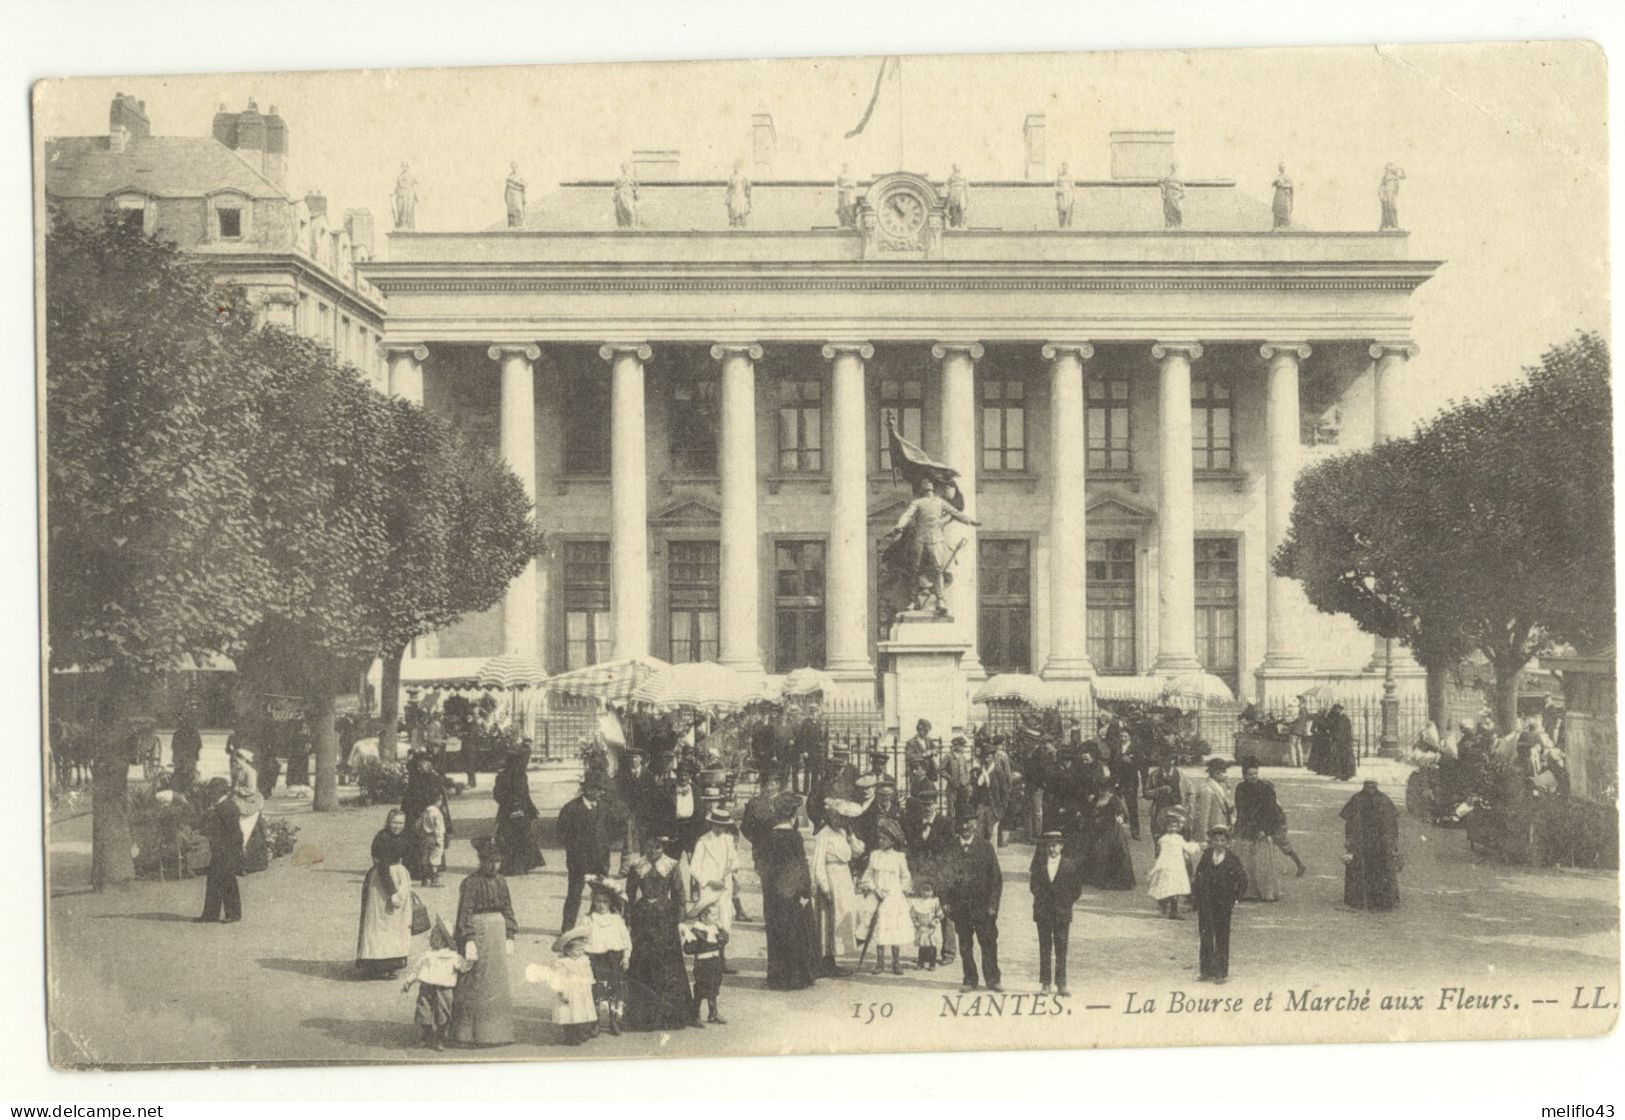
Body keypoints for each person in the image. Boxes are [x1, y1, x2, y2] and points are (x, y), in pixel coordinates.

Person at [450, 836, 518, 1047]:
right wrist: (468, 939)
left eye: (497, 861)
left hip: (497, 933)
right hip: (478, 932)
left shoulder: (501, 881)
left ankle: (497, 1033)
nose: (494, 865)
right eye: (489, 861)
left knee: (496, 982)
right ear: (481, 860)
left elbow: (507, 907)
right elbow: (465, 912)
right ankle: (468, 1034)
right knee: (474, 980)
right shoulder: (470, 883)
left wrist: (510, 934)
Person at [623, 834, 692, 1031]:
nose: (653, 852)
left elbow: (679, 894)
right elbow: (629, 894)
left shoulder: (671, 865)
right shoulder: (637, 866)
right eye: (650, 847)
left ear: (664, 848)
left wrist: (680, 920)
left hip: (665, 917)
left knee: (667, 961)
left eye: (658, 848)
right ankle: (642, 1015)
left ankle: (670, 1014)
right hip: (642, 915)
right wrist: (627, 919)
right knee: (642, 959)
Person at [759, 791, 819, 991]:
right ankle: (795, 977)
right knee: (795, 932)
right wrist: (805, 892)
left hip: (772, 893)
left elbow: (761, 865)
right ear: (793, 815)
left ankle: (777, 977)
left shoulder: (767, 837)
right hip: (791, 893)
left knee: (775, 931)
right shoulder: (794, 837)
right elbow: (801, 866)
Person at [939, 814, 1003, 993]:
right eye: (961, 822)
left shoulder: (986, 847)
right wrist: (944, 902)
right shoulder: (950, 848)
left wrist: (993, 905)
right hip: (960, 907)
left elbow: (996, 879)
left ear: (975, 824)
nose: (965, 826)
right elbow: (943, 878)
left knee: (989, 942)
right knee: (965, 944)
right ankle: (969, 979)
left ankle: (993, 979)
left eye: (968, 822)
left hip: (983, 908)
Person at [1233, 760, 1306, 900]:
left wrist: (1264, 829)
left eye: (1255, 773)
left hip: (1262, 829)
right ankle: (1248, 891)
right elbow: (1241, 810)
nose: (1253, 776)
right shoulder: (1240, 788)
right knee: (1246, 860)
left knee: (1262, 862)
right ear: (1244, 775)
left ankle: (1265, 892)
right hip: (1246, 828)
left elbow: (1271, 811)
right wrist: (1241, 825)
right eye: (1249, 774)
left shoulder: (1265, 788)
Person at [356, 809, 414, 978]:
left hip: (399, 876)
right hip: (382, 882)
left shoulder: (403, 837)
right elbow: (381, 867)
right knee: (380, 921)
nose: (398, 827)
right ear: (388, 822)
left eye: (401, 823)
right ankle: (377, 964)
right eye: (395, 823)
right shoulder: (381, 839)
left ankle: (392, 961)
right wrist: (392, 892)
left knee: (396, 922)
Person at [812, 800, 865, 977]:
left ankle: (832, 960)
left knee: (841, 917)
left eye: (841, 818)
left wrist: (851, 835)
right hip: (831, 877)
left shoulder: (843, 833)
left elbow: (857, 852)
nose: (838, 821)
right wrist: (825, 887)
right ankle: (825, 962)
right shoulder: (823, 835)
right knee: (828, 920)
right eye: (835, 817)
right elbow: (817, 864)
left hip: (844, 878)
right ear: (829, 816)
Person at [402, 916, 472, 1051]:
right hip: (426, 987)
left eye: (434, 936)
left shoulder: (453, 957)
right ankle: (426, 1034)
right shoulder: (428, 955)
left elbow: (463, 966)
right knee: (423, 1011)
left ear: (443, 940)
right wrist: (409, 981)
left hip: (444, 990)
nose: (430, 939)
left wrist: (470, 960)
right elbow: (417, 969)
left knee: (443, 1014)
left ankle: (440, 1038)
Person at [1029, 829, 1084, 995]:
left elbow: (1076, 890)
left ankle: (1061, 984)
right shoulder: (1039, 866)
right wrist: (1043, 901)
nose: (1052, 849)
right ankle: (1045, 983)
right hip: (1043, 913)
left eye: (1055, 845)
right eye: (1049, 846)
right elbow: (1034, 887)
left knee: (1061, 949)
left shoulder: (1069, 866)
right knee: (1044, 948)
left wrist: (1065, 903)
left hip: (1062, 914)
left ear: (1061, 846)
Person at [1192, 825, 1249, 983]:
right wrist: (1196, 895)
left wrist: (1236, 897)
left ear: (1227, 842)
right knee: (1206, 935)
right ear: (1212, 841)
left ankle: (1221, 973)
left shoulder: (1231, 858)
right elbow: (1198, 875)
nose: (1219, 843)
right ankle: (1206, 971)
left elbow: (1242, 879)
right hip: (1206, 901)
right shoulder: (1206, 855)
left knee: (1222, 936)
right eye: (1216, 840)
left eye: (1222, 840)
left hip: (1224, 903)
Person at [858, 818, 913, 976]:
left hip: (894, 899)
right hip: (878, 897)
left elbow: (906, 877)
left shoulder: (899, 857)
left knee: (894, 929)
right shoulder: (875, 855)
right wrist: (875, 889)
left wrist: (897, 890)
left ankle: (896, 962)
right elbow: (867, 877)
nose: (881, 841)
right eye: (880, 838)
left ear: (892, 840)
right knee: (879, 928)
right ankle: (879, 962)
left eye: (884, 839)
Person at [558, 773, 613, 934]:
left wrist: (605, 843)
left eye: (601, 790)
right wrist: (575, 846)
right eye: (597, 790)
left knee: (600, 894)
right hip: (578, 861)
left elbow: (615, 827)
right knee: (574, 895)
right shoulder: (571, 808)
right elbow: (561, 833)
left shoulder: (604, 807)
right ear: (587, 790)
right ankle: (567, 927)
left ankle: (596, 924)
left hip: (600, 860)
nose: (600, 793)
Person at [527, 927, 599, 1045]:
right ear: (568, 950)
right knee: (569, 1013)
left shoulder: (584, 960)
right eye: (577, 950)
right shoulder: (563, 962)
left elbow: (588, 973)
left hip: (582, 990)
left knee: (581, 1012)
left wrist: (589, 983)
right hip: (570, 990)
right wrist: (561, 991)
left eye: (582, 949)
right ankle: (570, 1036)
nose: (580, 952)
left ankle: (580, 1033)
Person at [581, 876, 631, 1035]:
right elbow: (580, 938)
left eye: (605, 902)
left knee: (615, 988)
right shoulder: (588, 919)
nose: (602, 905)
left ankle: (614, 1020)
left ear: (611, 903)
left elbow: (625, 939)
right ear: (593, 902)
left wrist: (626, 956)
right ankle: (595, 1021)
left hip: (614, 957)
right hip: (595, 957)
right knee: (596, 988)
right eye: (598, 901)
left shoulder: (616, 919)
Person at [1341, 780, 1402, 911]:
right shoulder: (1379, 799)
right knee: (1372, 867)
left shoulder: (1361, 798)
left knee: (1374, 868)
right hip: (1369, 841)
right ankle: (1374, 899)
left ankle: (1363, 898)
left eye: (1371, 786)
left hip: (1376, 841)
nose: (1370, 789)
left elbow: (1391, 822)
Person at [689, 807, 741, 957]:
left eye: (723, 826)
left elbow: (735, 859)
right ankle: (708, 958)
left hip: (724, 888)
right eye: (717, 825)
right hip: (709, 890)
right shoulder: (703, 842)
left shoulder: (728, 840)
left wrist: (731, 867)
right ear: (711, 824)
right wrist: (710, 881)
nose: (720, 829)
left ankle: (721, 958)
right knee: (710, 923)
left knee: (725, 922)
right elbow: (693, 868)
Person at [196, 779, 243, 923]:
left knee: (227, 881)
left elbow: (235, 832)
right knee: (214, 881)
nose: (210, 794)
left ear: (220, 792)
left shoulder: (226, 807)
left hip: (226, 850)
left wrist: (235, 850)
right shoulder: (220, 806)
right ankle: (211, 914)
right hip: (219, 849)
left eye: (212, 791)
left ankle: (233, 914)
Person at [680, 892, 730, 1025]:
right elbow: (688, 949)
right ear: (703, 916)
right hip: (703, 964)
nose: (716, 918)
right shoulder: (697, 931)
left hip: (715, 962)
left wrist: (722, 930)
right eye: (713, 915)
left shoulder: (714, 928)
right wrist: (691, 939)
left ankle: (713, 1013)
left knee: (713, 987)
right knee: (701, 989)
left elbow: (724, 940)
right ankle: (695, 1014)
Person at [492, 746, 543, 876]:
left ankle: (514, 866)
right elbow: (524, 795)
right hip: (520, 810)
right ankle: (522, 865)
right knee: (521, 837)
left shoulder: (503, 776)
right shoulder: (521, 776)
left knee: (511, 838)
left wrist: (506, 804)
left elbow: (497, 794)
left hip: (509, 811)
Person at [1147, 807, 1199, 919]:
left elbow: (1187, 847)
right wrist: (1157, 868)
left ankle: (1174, 910)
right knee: (1167, 887)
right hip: (1168, 866)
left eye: (1175, 826)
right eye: (1170, 826)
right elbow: (1162, 855)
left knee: (1176, 889)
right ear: (1165, 827)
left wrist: (1197, 846)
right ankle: (1164, 906)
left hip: (1178, 867)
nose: (1173, 828)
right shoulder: (1164, 840)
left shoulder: (1179, 838)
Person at [1080, 786, 1136, 890]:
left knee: (1110, 851)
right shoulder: (1096, 799)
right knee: (1095, 851)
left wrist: (1120, 817)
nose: (1102, 791)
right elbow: (1090, 812)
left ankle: (1112, 879)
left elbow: (1122, 812)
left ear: (1109, 790)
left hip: (1111, 830)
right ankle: (1096, 878)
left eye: (1104, 789)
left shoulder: (1113, 799)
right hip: (1097, 830)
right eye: (1100, 789)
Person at [971, 740, 1011, 847]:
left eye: (990, 756)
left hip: (993, 806)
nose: (988, 758)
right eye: (986, 756)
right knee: (979, 831)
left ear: (993, 757)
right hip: (981, 805)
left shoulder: (998, 771)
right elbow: (976, 790)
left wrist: (1002, 807)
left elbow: (1004, 791)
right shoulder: (980, 771)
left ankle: (992, 855)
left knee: (992, 832)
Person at [1143, 752, 1186, 848]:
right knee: (1160, 843)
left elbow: (1190, 792)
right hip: (1159, 812)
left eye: (1172, 760)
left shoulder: (1180, 774)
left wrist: (1186, 807)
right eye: (1166, 760)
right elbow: (1146, 793)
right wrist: (1159, 790)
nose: (1170, 763)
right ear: (1161, 761)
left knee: (1177, 843)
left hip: (1176, 812)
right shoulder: (1154, 775)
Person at [1184, 757, 1234, 841]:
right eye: (1224, 772)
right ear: (1216, 773)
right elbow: (1203, 816)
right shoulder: (1206, 789)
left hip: (1219, 833)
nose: (1226, 775)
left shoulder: (1217, 787)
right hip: (1211, 834)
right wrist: (1204, 838)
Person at [943, 735, 975, 825]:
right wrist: (950, 778)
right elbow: (941, 770)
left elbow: (966, 770)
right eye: (961, 746)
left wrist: (966, 780)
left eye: (963, 746)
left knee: (961, 808)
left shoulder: (962, 757)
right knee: (951, 810)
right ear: (955, 746)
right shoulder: (948, 756)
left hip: (963, 787)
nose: (962, 748)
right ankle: (950, 830)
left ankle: (959, 828)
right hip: (952, 787)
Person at [170, 706, 202, 791]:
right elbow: (174, 747)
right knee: (182, 778)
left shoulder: (192, 733)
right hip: (184, 759)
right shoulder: (178, 734)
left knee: (188, 778)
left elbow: (198, 745)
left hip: (188, 759)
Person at [1325, 703, 1358, 781]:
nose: (1335, 711)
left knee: (1346, 758)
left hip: (1344, 741)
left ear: (1340, 709)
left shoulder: (1344, 718)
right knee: (1339, 757)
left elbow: (1340, 730)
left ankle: (1347, 775)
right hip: (1340, 740)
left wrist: (1334, 736)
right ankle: (1340, 774)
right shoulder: (1340, 717)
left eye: (1336, 709)